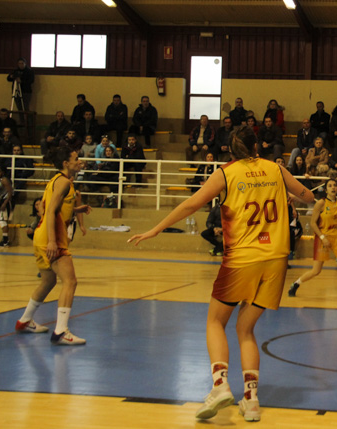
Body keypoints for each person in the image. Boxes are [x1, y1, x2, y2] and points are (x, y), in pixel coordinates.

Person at [128, 125, 314, 421]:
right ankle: (251, 400)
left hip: (242, 258)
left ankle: (220, 385)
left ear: (230, 149)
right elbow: (306, 195)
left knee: (215, 321)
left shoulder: (225, 173)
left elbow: (191, 204)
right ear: (257, 147)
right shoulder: (276, 169)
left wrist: (156, 229)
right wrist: (306, 200)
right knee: (246, 329)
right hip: (277, 259)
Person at [15, 147, 91, 344]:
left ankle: (24, 320)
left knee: (48, 281)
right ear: (66, 163)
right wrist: (52, 241)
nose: (79, 161)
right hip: (52, 237)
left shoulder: (57, 179)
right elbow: (49, 212)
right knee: (70, 281)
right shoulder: (65, 182)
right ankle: (60, 331)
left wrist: (75, 209)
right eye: (75, 158)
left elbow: (55, 207)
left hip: (40, 236)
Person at [288, 178, 337, 299]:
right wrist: (323, 237)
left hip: (336, 238)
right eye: (330, 186)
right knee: (316, 270)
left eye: (335, 185)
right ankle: (295, 284)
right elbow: (313, 223)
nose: (333, 187)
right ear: (326, 189)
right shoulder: (321, 203)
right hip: (323, 238)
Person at [0, 165, 13, 247]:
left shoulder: (4, 180)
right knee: (2, 220)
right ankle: (5, 240)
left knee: (2, 221)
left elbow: (10, 192)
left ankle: (5, 241)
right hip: (1, 201)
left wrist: (4, 203)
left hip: (5, 202)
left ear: (2, 172)